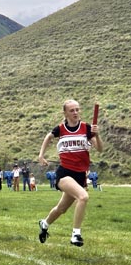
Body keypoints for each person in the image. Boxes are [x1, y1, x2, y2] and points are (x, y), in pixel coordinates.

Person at [38, 99, 103, 247]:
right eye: (72, 110)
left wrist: (97, 135)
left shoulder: (86, 128)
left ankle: (44, 223)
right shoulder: (60, 129)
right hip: (65, 173)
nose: (76, 112)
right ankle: (76, 234)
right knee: (83, 196)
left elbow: (99, 149)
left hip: (81, 175)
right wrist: (41, 155)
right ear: (65, 113)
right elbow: (48, 137)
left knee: (61, 209)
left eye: (77, 109)